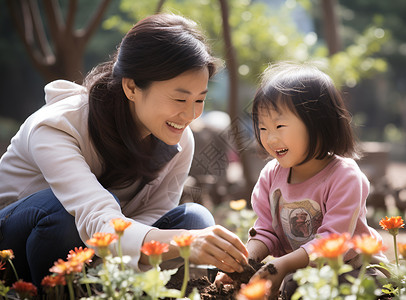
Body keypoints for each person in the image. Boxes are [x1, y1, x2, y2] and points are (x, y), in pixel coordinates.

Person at [0, 13, 248, 287]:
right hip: (14, 245)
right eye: (179, 98)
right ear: (131, 86)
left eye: (200, 99)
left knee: (194, 219)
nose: (190, 114)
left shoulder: (180, 139)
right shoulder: (58, 126)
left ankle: (105, 287)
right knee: (63, 213)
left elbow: (151, 218)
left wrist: (190, 239)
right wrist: (184, 242)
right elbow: (96, 215)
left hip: (98, 245)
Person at [218, 62, 388, 299]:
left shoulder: (344, 176)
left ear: (317, 124)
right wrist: (246, 261)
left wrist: (283, 265)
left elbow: (333, 241)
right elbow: (266, 228)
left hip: (356, 266)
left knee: (367, 290)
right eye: (263, 127)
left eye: (279, 126)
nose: (270, 137)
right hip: (307, 271)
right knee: (292, 287)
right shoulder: (271, 175)